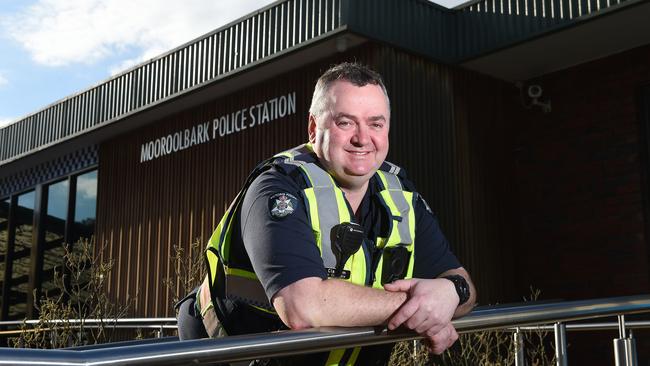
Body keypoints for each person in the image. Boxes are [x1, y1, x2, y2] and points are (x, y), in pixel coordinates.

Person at [177, 62, 476, 365]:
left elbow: (461, 281)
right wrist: (424, 306)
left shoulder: (400, 197)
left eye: (376, 124)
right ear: (313, 128)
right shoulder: (278, 188)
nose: (362, 138)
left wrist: (451, 291)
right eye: (346, 122)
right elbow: (303, 307)